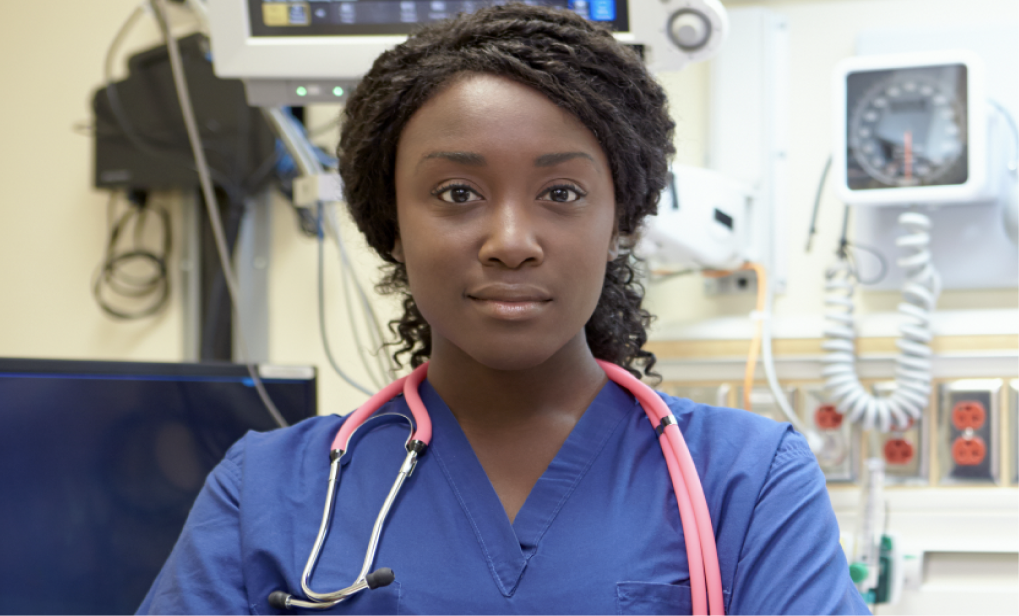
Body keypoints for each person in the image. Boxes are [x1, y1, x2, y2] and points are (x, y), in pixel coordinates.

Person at [137, 4, 869, 614]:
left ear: (621, 220)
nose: (510, 242)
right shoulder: (265, 491)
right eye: (457, 194)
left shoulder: (746, 479)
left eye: (561, 194)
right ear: (389, 222)